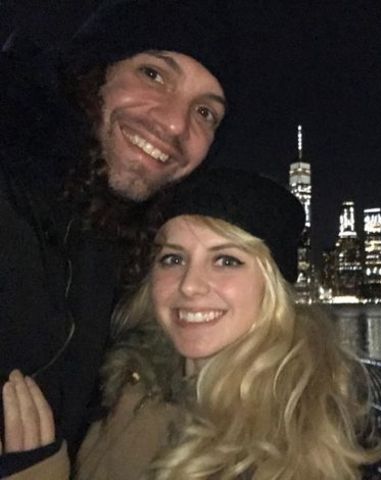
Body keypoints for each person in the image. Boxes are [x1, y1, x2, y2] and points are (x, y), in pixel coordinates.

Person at [2, 168, 381, 479]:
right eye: (173, 258)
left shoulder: (290, 447)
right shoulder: (122, 384)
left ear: (272, 288)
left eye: (226, 260)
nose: (189, 285)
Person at [0, 0, 235, 474]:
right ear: (93, 73)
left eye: (205, 112)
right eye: (153, 74)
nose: (175, 123)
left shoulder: (121, 243)